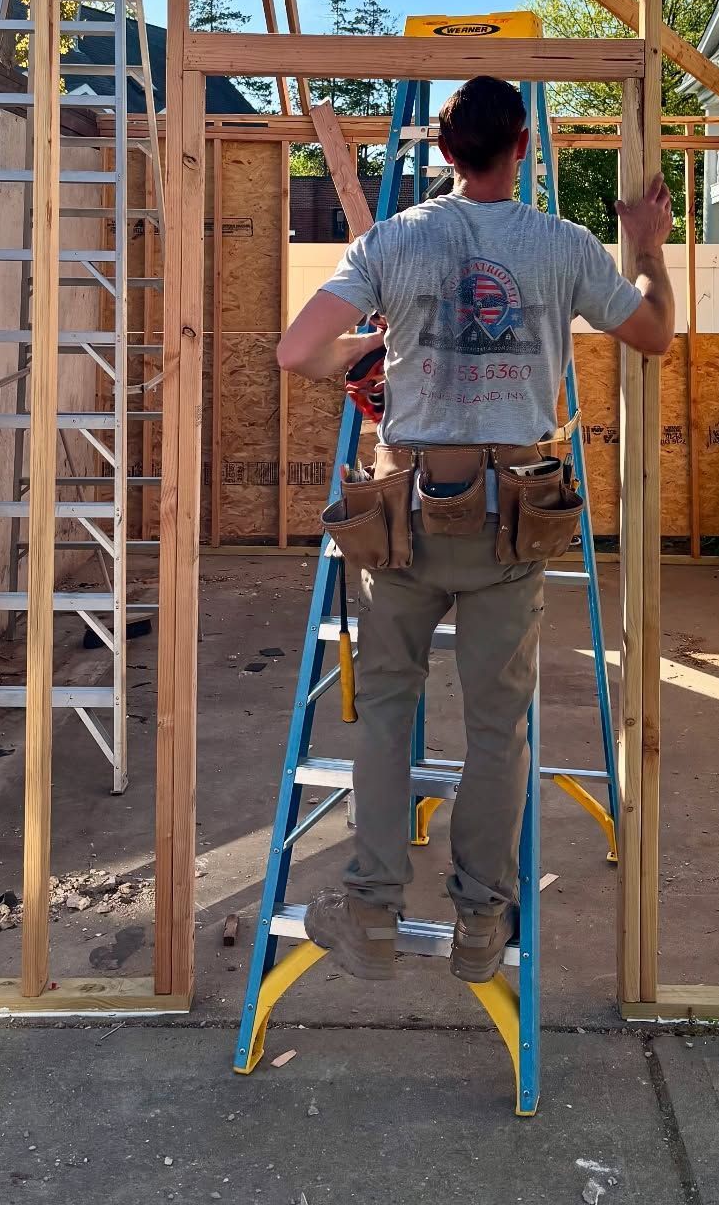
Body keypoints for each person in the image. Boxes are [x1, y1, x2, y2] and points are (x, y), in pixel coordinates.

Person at [275, 75, 674, 982]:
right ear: (523, 149)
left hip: (406, 516)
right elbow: (653, 333)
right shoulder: (562, 245)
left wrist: (372, 350)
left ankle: (372, 913)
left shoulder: (395, 240)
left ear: (443, 155)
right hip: (510, 520)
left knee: (384, 712)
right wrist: (647, 247)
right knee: (499, 729)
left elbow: (298, 353)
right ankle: (482, 925)